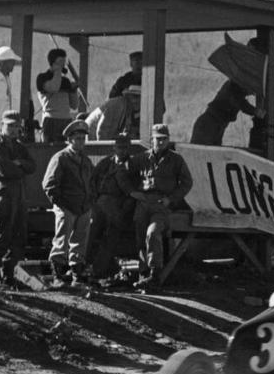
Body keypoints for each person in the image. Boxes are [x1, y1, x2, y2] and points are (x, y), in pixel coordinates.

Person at [128, 123, 194, 290]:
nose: (161, 142)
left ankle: (154, 274)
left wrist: (171, 199)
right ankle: (143, 275)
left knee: (153, 233)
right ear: (152, 140)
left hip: (161, 205)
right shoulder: (141, 158)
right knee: (140, 237)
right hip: (143, 203)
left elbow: (187, 183)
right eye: (158, 139)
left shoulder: (176, 159)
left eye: (164, 139)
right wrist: (131, 192)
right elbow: (124, 172)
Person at [0, 110, 37, 288]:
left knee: (19, 237)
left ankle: (8, 274)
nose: (14, 129)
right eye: (10, 126)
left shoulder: (19, 146)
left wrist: (19, 163)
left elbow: (32, 166)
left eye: (17, 126)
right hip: (4, 195)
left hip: (20, 195)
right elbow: (5, 170)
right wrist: (19, 165)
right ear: (2, 125)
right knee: (1, 236)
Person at [41, 119, 96, 286]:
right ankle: (58, 275)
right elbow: (49, 184)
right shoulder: (61, 158)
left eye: (83, 138)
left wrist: (90, 201)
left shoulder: (85, 160)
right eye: (77, 138)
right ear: (69, 139)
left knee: (80, 243)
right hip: (66, 207)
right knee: (61, 242)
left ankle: (77, 275)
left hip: (83, 207)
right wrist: (62, 205)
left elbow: (92, 182)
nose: (80, 141)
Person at [86, 133, 138, 285]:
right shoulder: (105, 163)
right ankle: (79, 269)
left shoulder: (132, 166)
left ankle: (98, 271)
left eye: (125, 148)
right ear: (114, 147)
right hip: (100, 203)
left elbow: (133, 190)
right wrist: (94, 200)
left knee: (111, 238)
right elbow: (93, 181)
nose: (122, 151)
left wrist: (125, 208)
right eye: (119, 147)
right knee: (91, 232)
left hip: (118, 206)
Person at [190, 80, 261, 146]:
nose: (251, 93)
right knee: (202, 153)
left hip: (218, 125)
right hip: (209, 125)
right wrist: (256, 112)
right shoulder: (234, 86)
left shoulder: (236, 85)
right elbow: (240, 102)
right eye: (251, 91)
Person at [36, 48, 81, 142]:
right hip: (51, 120)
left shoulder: (65, 81)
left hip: (66, 120)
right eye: (60, 62)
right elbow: (54, 88)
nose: (63, 65)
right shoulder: (42, 78)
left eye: (63, 62)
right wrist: (57, 72)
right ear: (52, 62)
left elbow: (74, 105)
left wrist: (73, 90)